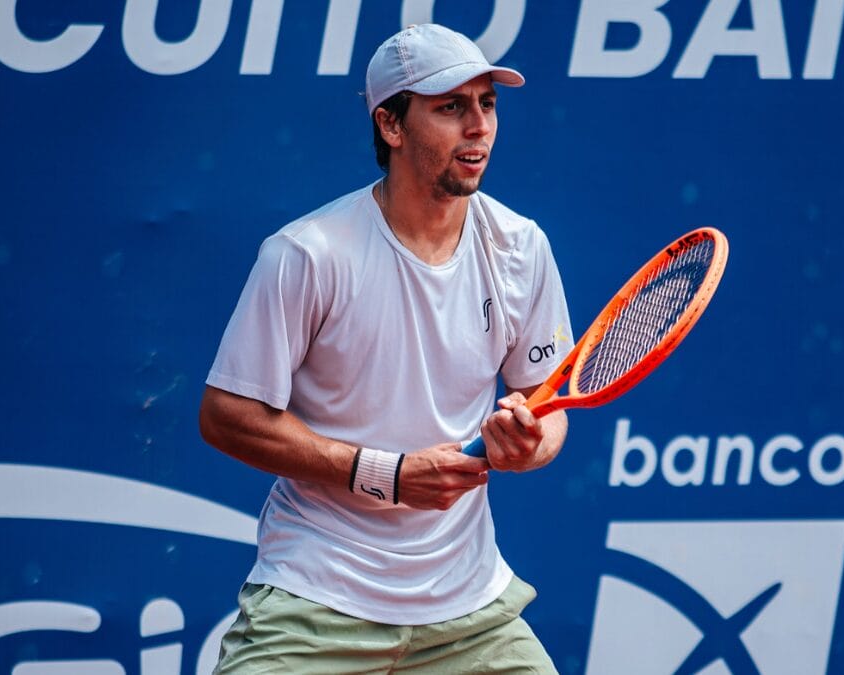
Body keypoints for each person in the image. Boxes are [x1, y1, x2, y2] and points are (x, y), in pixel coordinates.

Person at [198, 23, 572, 673]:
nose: (478, 127)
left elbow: (546, 406)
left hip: (470, 611)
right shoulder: (307, 255)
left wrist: (528, 442)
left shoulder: (521, 247)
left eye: (487, 104)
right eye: (450, 107)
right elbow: (227, 417)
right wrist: (385, 473)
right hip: (317, 596)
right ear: (391, 125)